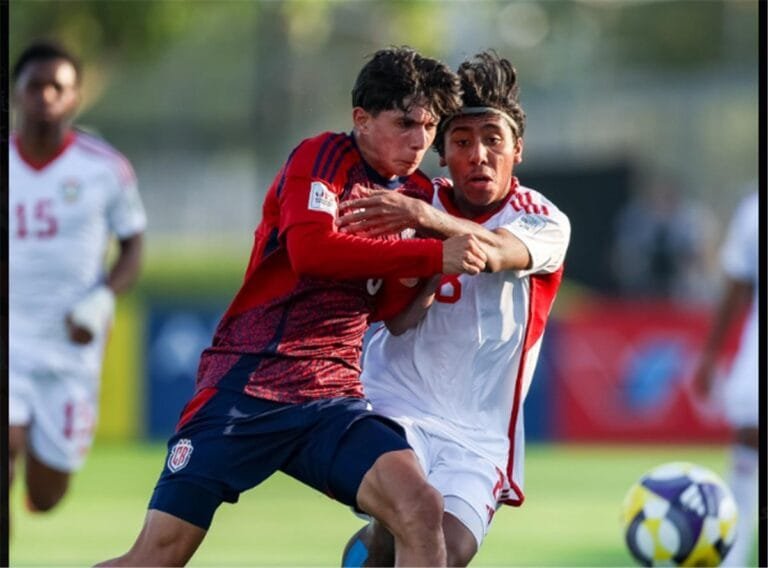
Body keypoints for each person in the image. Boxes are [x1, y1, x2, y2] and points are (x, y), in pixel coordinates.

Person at [98, 47, 487, 567]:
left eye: (429, 127)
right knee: (156, 556)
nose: (419, 141)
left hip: (331, 397)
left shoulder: (416, 195)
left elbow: (389, 312)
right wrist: (433, 250)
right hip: (246, 385)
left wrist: (429, 271)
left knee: (420, 506)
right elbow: (312, 252)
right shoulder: (321, 159)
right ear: (362, 120)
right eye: (405, 123)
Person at [336, 50, 571, 566]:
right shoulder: (412, 200)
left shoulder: (544, 221)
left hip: (479, 437)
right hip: (393, 407)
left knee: (446, 550)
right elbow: (396, 321)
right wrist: (422, 258)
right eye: (462, 142)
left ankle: (369, 550)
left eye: (493, 140)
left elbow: (494, 252)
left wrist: (424, 220)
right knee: (418, 528)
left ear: (518, 150)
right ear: (442, 152)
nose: (479, 155)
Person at [8, 41, 146, 517]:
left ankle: (36, 484)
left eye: (57, 87)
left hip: (71, 342)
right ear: (17, 93)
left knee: (47, 497)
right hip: (11, 335)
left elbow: (132, 244)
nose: (45, 95)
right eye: (35, 86)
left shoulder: (104, 168)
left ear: (74, 97)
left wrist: (103, 298)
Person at [692, 188, 758, 567]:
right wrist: (710, 353)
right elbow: (738, 281)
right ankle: (733, 557)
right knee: (749, 435)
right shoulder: (754, 210)